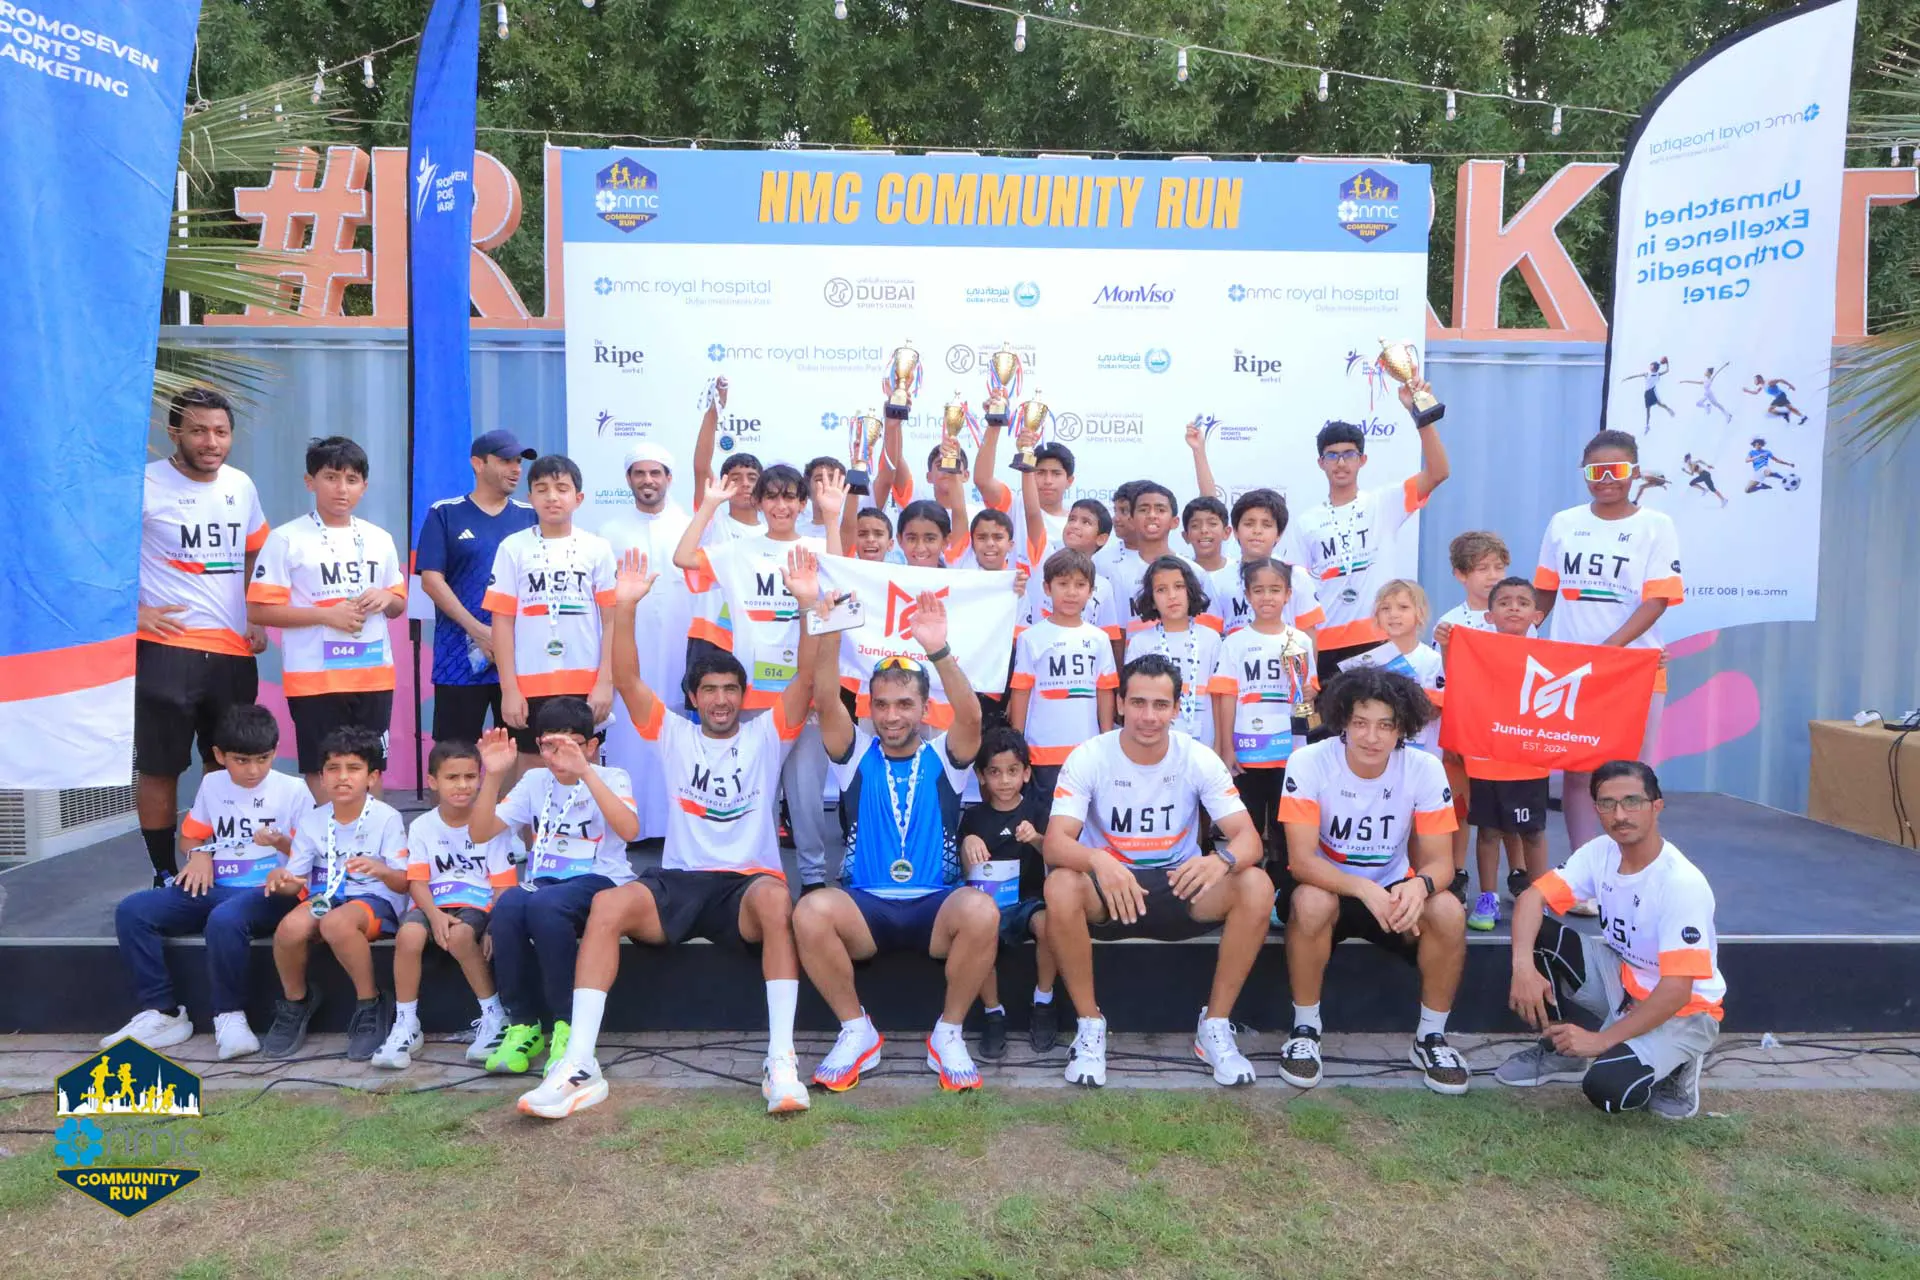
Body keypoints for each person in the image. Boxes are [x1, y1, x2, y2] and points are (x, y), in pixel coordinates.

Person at [518, 547, 823, 1119]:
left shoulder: (767, 735)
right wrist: (626, 606)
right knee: (608, 906)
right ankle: (580, 1064)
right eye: (709, 689)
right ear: (693, 697)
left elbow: (806, 678)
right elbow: (628, 679)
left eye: (731, 689)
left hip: (745, 888)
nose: (721, 699)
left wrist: (806, 605)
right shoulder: (674, 733)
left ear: (743, 694)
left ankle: (780, 1060)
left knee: (780, 900)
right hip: (681, 881)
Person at [789, 573, 998, 1093]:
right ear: (869, 708)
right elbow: (822, 697)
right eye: (880, 705)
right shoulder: (854, 754)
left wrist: (939, 649)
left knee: (983, 909)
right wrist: (831, 623)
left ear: (925, 710)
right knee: (810, 909)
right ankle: (857, 1031)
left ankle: (947, 1035)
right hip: (866, 908)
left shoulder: (946, 759)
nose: (891, 716)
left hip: (934, 908)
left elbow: (972, 715)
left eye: (904, 705)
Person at [1042, 654, 1270, 1088]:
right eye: (1139, 703)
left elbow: (1249, 840)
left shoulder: (1197, 756)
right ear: (1121, 704)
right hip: (1110, 890)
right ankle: (1090, 1027)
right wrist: (1097, 859)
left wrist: (1218, 860)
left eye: (1161, 705)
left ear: (1178, 708)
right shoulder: (1089, 755)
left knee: (1255, 884)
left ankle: (1215, 1026)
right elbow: (1055, 843)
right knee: (1060, 886)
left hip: (1177, 884)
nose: (1149, 716)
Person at [1274, 667, 1470, 1095]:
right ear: (1342, 719)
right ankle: (1305, 1032)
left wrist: (1419, 886)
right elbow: (1301, 861)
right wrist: (1363, 888)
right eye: (1360, 723)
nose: (1371, 737)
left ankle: (1430, 1038)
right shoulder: (1309, 761)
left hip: (1395, 890)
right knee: (1310, 902)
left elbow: (1442, 863)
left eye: (1386, 725)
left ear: (1403, 727)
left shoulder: (1423, 767)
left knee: (1449, 910)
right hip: (1331, 888)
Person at [1495, 762, 1723, 1120]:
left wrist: (1601, 1041)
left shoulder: (1681, 883)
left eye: (1632, 801)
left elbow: (1678, 989)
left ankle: (1680, 1062)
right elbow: (1531, 899)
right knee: (1535, 930)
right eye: (1607, 803)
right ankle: (1560, 1049)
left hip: (1684, 1009)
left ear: (1656, 806)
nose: (1620, 814)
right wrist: (1523, 968)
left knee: (1607, 1090)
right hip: (1623, 980)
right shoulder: (1600, 851)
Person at [103, 705, 312, 1059]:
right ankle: (163, 1012)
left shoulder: (294, 790)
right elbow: (190, 839)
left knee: (226, 919)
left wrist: (279, 842)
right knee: (134, 910)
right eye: (241, 760)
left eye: (262, 759)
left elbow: (308, 859)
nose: (253, 770)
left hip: (270, 890)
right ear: (219, 755)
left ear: (275, 752)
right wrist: (199, 855)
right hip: (214, 886)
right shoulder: (212, 784)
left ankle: (229, 1016)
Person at [674, 463, 842, 891]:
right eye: (773, 496)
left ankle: (814, 882)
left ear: (803, 503)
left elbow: (841, 585)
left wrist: (835, 517)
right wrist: (710, 506)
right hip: (752, 703)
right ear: (759, 501)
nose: (781, 505)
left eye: (790, 497)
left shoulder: (818, 546)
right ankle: (761, 878)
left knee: (806, 801)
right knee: (756, 798)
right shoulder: (738, 551)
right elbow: (682, 558)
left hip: (803, 696)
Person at [137, 386, 271, 886]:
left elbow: (256, 552)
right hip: (168, 652)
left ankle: (221, 862)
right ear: (175, 433)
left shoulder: (241, 485)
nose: (211, 441)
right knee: (161, 767)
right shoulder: (144, 485)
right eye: (198, 430)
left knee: (229, 765)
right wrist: (136, 613)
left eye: (220, 431)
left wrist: (256, 615)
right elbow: (99, 557)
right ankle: (163, 872)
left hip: (233, 655)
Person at [467, 698, 641, 1075]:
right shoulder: (534, 781)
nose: (556, 755)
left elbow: (629, 830)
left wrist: (587, 773)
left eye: (569, 745)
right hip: (545, 880)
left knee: (547, 907)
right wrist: (493, 775)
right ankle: (523, 1025)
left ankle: (568, 1027)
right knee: (510, 904)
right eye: (548, 745)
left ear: (591, 746)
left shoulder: (613, 777)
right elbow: (480, 832)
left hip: (600, 877)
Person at [1533, 429, 1682, 855]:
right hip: (1571, 671)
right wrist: (1521, 635)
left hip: (1633, 671)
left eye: (1616, 470)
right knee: (1579, 775)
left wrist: (1611, 650)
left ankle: (1631, 866)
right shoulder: (1563, 523)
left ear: (1634, 472)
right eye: (1595, 470)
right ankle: (1584, 868)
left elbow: (1657, 600)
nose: (1606, 479)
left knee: (1633, 777)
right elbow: (1544, 593)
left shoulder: (1656, 526)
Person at [247, 436, 407, 800]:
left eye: (352, 480)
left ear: (364, 487)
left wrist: (386, 596)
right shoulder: (286, 539)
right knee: (325, 765)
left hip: (372, 674)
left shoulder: (379, 538)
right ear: (310, 482)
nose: (341, 488)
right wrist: (326, 616)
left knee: (370, 764)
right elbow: (259, 610)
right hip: (315, 678)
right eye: (331, 477)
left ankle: (367, 845)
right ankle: (332, 847)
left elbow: (398, 604)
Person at [260, 726, 411, 1061]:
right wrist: (280, 877)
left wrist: (381, 869)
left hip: (375, 900)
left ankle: (370, 1003)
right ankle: (296, 1002)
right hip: (326, 898)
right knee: (289, 928)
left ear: (372, 777)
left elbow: (403, 882)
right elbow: (295, 881)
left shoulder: (386, 818)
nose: (342, 778)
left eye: (353, 769)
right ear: (322, 777)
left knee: (336, 924)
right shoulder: (313, 821)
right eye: (333, 769)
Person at [371, 739, 520, 1071]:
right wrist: (434, 914)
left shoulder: (493, 825)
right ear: (433, 782)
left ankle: (494, 1016)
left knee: (461, 937)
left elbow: (503, 886)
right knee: (409, 936)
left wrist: (497, 925)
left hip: (478, 904)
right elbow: (417, 882)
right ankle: (406, 1024)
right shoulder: (423, 826)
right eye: (453, 777)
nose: (463, 785)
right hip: (434, 903)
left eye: (470, 776)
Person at [1286, 380, 1451, 680]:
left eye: (1349, 454)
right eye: (1332, 455)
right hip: (1325, 644)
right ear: (1321, 463)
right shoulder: (1306, 522)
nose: (1341, 463)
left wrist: (1421, 415)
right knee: (1329, 728)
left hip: (1379, 639)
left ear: (1362, 460)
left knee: (1380, 724)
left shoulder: (1383, 503)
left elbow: (1439, 471)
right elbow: (1296, 591)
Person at [483, 454, 619, 771]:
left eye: (561, 488)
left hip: (585, 684)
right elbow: (501, 623)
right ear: (530, 498)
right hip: (529, 685)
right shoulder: (513, 548)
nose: (552, 497)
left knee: (584, 768)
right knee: (531, 771)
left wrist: (604, 682)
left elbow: (612, 621)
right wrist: (509, 689)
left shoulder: (597, 548)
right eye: (542, 489)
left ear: (578, 497)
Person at [1439, 578, 1551, 933]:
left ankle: (1538, 894)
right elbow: (1458, 682)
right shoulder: (1478, 649)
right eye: (1504, 602)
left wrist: (1647, 664)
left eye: (1522, 602)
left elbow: (1594, 677)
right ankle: (1488, 897)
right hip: (1486, 759)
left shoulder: (1552, 656)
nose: (1514, 608)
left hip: (1530, 761)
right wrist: (1445, 647)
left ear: (1537, 615)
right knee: (1487, 831)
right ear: (1489, 615)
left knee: (1532, 832)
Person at [416, 429, 539, 747]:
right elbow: (431, 580)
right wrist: (479, 631)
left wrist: (501, 637)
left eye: (518, 462)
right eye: (506, 460)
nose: (515, 469)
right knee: (453, 753)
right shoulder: (445, 513)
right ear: (477, 464)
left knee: (519, 749)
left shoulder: (531, 517)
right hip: (457, 658)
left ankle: (510, 801)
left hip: (518, 659)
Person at [597, 442, 694, 842]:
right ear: (628, 480)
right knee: (629, 740)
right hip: (628, 654)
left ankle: (676, 828)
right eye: (640, 473)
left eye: (656, 473)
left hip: (679, 656)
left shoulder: (690, 527)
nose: (648, 481)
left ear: (669, 478)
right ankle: (630, 828)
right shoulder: (610, 532)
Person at [958, 727, 1057, 1056]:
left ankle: (1043, 1002)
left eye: (1013, 771)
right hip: (987, 903)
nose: (1004, 781)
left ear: (1027, 773)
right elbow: (961, 868)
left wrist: (1038, 839)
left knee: (1049, 924)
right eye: (995, 772)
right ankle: (993, 1013)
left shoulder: (1039, 812)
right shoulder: (973, 817)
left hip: (1028, 900)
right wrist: (967, 842)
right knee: (977, 932)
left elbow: (1057, 855)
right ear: (981, 776)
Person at [1209, 558, 1315, 856]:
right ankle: (1249, 888)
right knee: (1248, 829)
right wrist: (1227, 748)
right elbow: (1227, 695)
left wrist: (1309, 694)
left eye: (1275, 589)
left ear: (1288, 594)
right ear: (1247, 595)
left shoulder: (1301, 640)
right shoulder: (1235, 642)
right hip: (1248, 751)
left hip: (1289, 753)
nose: (1267, 597)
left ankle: (1284, 893)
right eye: (1258, 590)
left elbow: (1307, 699)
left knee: (1286, 830)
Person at [1431, 531, 1510, 899]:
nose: (1492, 575)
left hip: (1507, 731)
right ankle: (1458, 871)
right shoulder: (1449, 624)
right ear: (1462, 575)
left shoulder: (1517, 614)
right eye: (1482, 568)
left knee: (1508, 807)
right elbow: (1444, 683)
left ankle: (1521, 873)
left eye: (1498, 566)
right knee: (1460, 806)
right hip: (1465, 729)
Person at [1009, 549, 1118, 799]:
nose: (1071, 592)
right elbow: (1021, 691)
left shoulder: (1099, 639)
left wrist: (1107, 737)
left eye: (1080, 585)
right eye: (1063, 584)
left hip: (1087, 749)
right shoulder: (1030, 638)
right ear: (1047, 588)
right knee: (1047, 819)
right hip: (1042, 751)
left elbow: (1104, 692)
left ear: (1091, 591)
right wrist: (1017, 743)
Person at [1190, 479, 1323, 639]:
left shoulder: (1296, 576)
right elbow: (1209, 637)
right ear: (1236, 531)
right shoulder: (1218, 580)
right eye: (1249, 524)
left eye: (1266, 525)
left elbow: (1308, 636)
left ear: (1278, 534)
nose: (1257, 531)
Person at [1337, 580, 1444, 756]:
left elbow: (1433, 711)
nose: (1393, 615)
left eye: (1403, 607)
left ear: (1420, 613)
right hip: (1376, 754)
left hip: (1420, 751)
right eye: (1385, 609)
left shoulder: (1433, 661)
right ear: (1376, 616)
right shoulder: (1366, 663)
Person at [1124, 555, 1221, 749]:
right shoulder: (1140, 642)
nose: (1172, 596)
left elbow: (1219, 697)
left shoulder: (1211, 639)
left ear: (1191, 591)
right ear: (1151, 600)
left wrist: (1220, 745)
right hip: (1155, 744)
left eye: (1179, 586)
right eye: (1161, 590)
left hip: (1205, 743)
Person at [1103, 482, 1206, 644]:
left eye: (1160, 509)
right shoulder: (1117, 572)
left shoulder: (1194, 571)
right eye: (1143, 509)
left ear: (1174, 521)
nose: (1152, 515)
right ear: (1132, 519)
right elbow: (1119, 633)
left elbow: (1207, 629)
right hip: (1137, 665)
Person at [1019, 499, 1121, 637]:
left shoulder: (1104, 586)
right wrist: (1028, 475)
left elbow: (1109, 637)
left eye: (1086, 522)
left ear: (1101, 539)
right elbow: (1032, 514)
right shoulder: (1044, 557)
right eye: (1072, 519)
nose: (1075, 525)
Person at [1620, 357, 1674, 434]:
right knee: (1648, 410)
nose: (1649, 366)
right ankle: (1647, 426)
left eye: (1651, 365)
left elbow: (1667, 370)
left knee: (1659, 405)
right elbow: (1635, 376)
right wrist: (1627, 378)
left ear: (1653, 368)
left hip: (1652, 391)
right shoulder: (1651, 373)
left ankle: (1669, 410)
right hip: (1647, 393)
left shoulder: (1650, 374)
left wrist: (1667, 362)